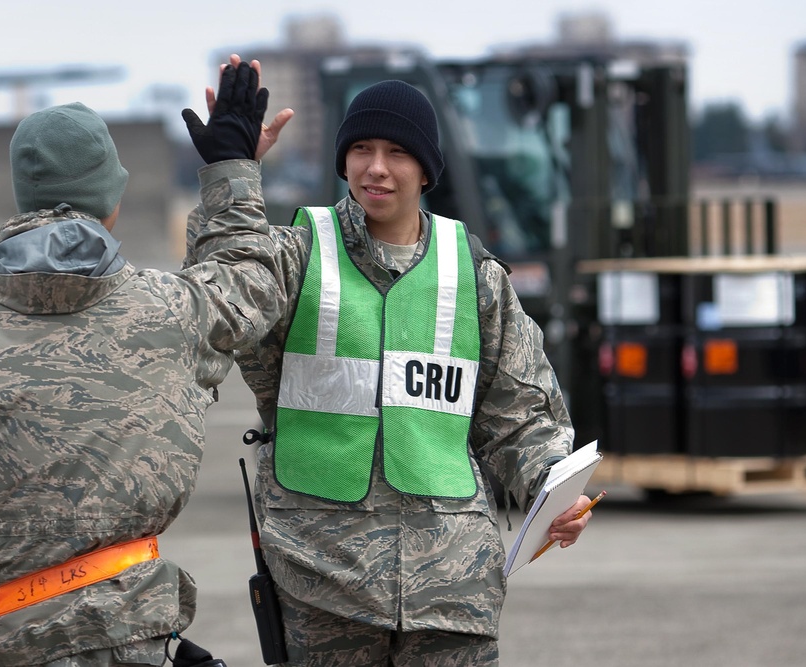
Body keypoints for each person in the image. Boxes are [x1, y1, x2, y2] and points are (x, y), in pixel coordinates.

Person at [0, 58, 285, 666]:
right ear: (111, 199)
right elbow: (251, 279)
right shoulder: (170, 310)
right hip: (137, 641)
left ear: (24, 193)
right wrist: (231, 168)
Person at [186, 74, 594, 665]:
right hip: (322, 581)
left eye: (397, 152)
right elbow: (217, 298)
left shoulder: (474, 275)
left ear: (427, 170)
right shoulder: (299, 256)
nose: (376, 167)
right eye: (361, 150)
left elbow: (522, 414)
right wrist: (231, 175)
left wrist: (553, 489)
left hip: (453, 590)